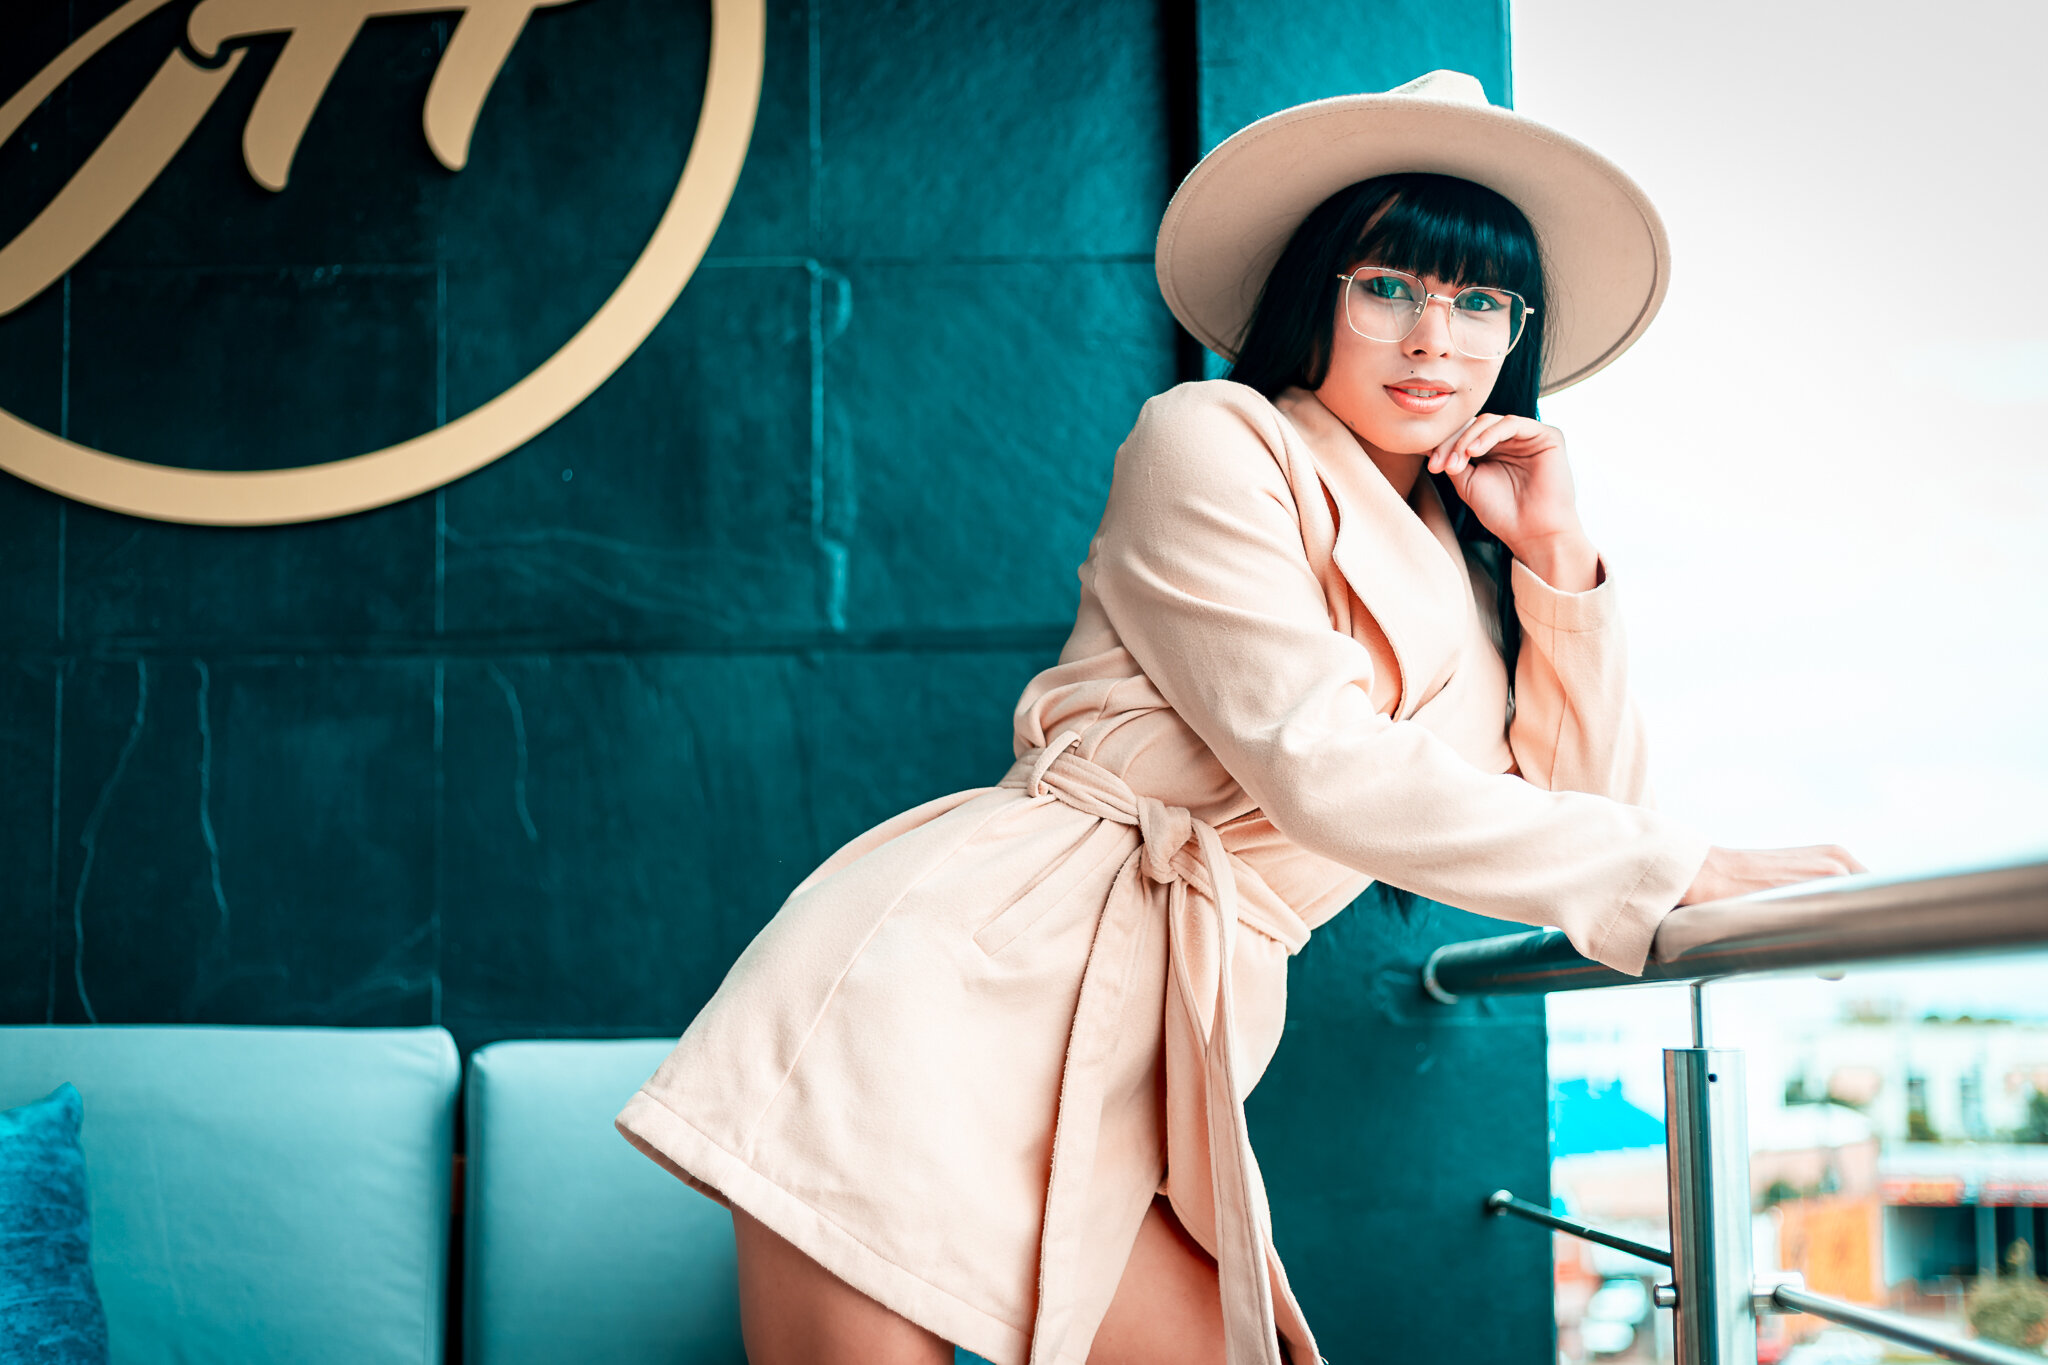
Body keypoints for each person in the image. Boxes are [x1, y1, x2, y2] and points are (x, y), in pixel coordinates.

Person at [613, 69, 1862, 1365]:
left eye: (1479, 301)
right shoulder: (1212, 437)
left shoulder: (1477, 563)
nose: (1433, 340)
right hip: (959, 985)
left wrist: (1556, 555)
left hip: (1159, 1048)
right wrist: (1678, 868)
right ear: (1315, 294)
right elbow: (1319, 762)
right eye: (1390, 287)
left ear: (1516, 335)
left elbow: (1586, 813)